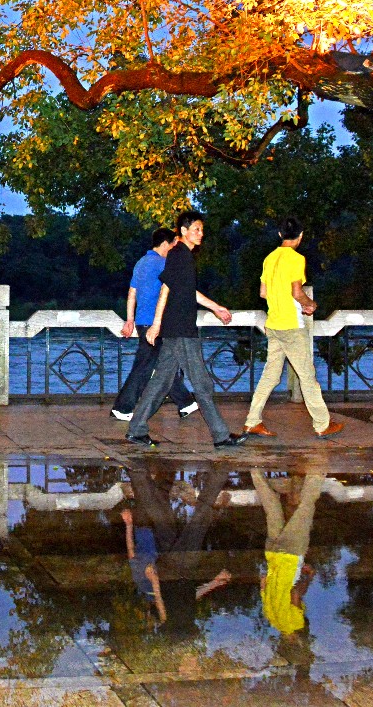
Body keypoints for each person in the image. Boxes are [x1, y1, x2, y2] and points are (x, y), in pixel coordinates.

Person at [126, 210, 244, 449]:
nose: (201, 233)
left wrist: (216, 307)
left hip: (177, 328)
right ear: (183, 231)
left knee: (160, 382)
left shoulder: (182, 256)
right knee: (201, 384)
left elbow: (186, 291)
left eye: (202, 229)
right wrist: (157, 324)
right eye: (196, 229)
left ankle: (136, 429)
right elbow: (165, 290)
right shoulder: (180, 255)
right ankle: (221, 436)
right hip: (180, 329)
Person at [244, 217, 343, 439]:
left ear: (280, 235)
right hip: (291, 325)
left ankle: (252, 421)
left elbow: (263, 293)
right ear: (301, 236)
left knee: (269, 376)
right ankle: (322, 424)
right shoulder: (297, 259)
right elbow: (297, 293)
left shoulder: (269, 258)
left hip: (274, 325)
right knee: (308, 377)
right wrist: (311, 305)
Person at [121, 463, 237, 636]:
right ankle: (137, 473)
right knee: (162, 517)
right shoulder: (187, 617)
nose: (193, 662)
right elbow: (193, 595)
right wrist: (214, 582)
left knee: (199, 520)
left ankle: (220, 473)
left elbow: (160, 602)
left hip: (176, 568)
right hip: (174, 567)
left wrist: (154, 580)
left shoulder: (171, 626)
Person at [113, 228, 197, 422]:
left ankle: (186, 402)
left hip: (143, 322)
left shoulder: (141, 263)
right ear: (166, 243)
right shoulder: (163, 263)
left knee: (161, 365)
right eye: (174, 244)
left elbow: (132, 293)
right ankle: (123, 408)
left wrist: (130, 320)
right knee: (145, 366)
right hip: (156, 325)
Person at [252, 470, 326, 671]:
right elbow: (263, 581)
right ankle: (255, 471)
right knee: (272, 509)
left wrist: (308, 577)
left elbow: (295, 593)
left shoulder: (295, 623)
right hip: (273, 555)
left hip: (291, 555)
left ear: (297, 643)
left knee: (305, 509)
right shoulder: (272, 618)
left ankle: (317, 472)